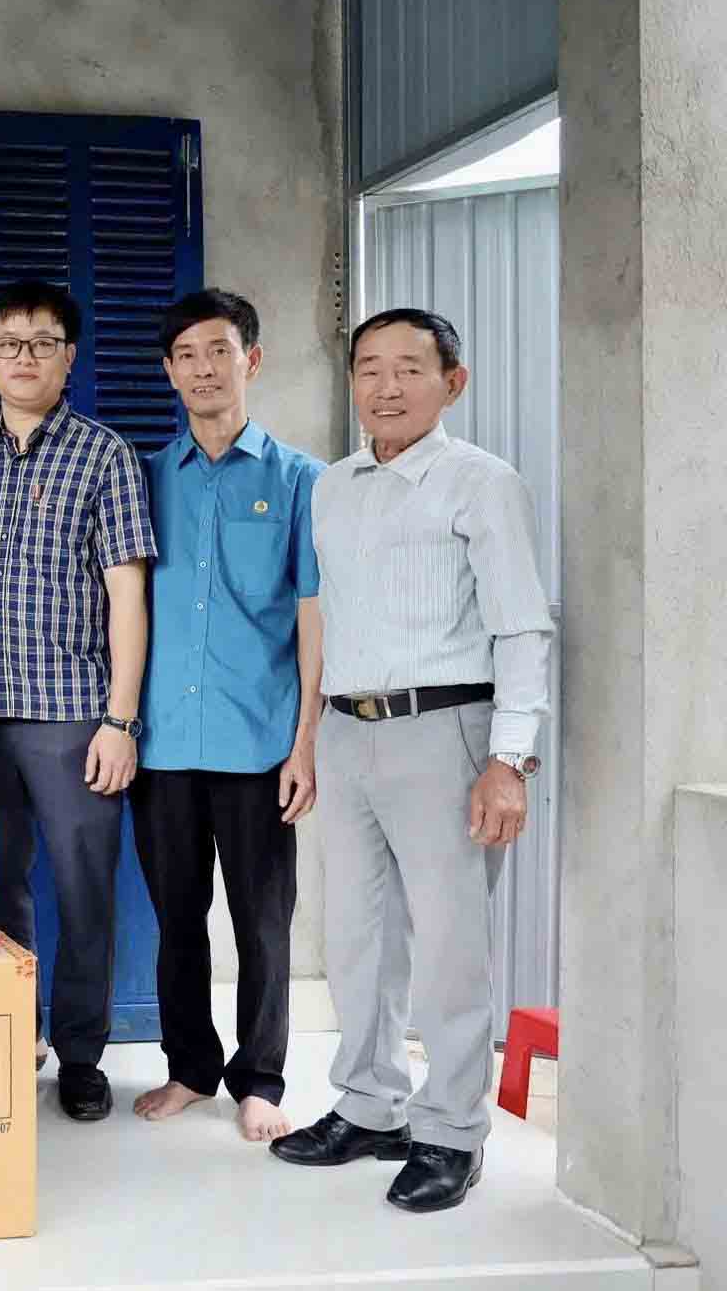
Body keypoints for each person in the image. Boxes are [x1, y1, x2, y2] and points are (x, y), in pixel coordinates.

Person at [270, 308, 552, 1213]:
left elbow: (522, 626)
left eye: (409, 369)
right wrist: (310, 737)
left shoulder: (482, 484)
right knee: (357, 938)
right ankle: (368, 1105)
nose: (386, 387)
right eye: (369, 369)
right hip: (347, 730)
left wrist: (509, 760)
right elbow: (327, 619)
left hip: (446, 732)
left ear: (452, 383)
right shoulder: (333, 487)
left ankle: (452, 1132)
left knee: (449, 949)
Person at [0, 278, 156, 1119]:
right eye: (8, 344)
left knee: (84, 891)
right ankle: (11, 1033)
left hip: (74, 715)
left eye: (42, 343)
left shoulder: (106, 456)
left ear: (69, 358)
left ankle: (80, 1055)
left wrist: (120, 719)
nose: (23, 357)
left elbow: (128, 595)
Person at [128, 290, 324, 1143]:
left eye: (219, 351)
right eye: (186, 356)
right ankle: (189, 1068)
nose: (203, 369)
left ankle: (261, 1079)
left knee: (262, 923)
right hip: (163, 740)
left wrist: (305, 743)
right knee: (176, 919)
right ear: (169, 372)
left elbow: (314, 616)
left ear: (253, 360)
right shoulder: (141, 480)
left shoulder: (301, 480)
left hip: (258, 741)